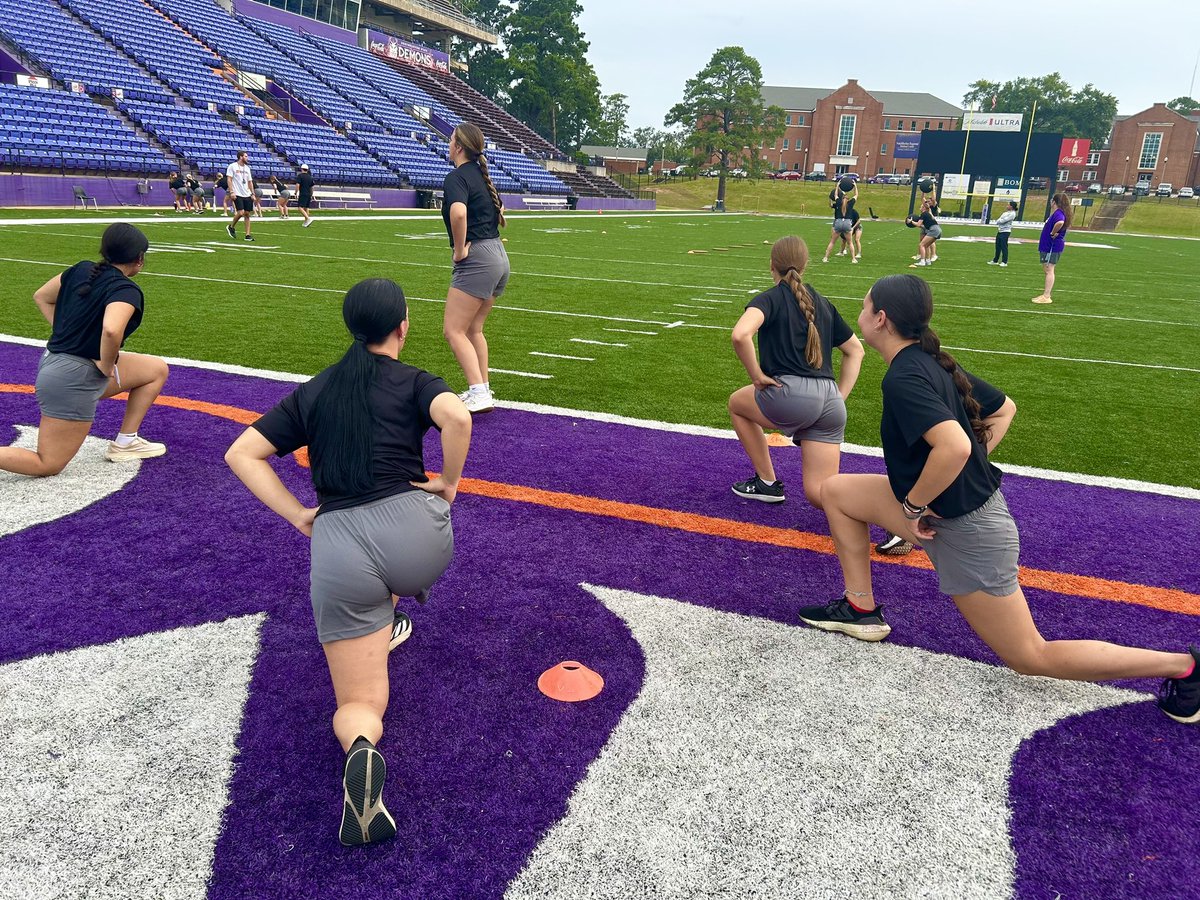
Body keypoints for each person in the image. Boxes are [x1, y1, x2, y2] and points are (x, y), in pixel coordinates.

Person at [796, 274, 1200, 726]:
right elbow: (1003, 409)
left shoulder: (906, 377)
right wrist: (942, 486)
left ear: (881, 319)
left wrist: (913, 508)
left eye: (865, 306)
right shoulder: (928, 361)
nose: (860, 313)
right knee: (836, 491)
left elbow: (955, 447)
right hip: (945, 509)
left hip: (967, 529)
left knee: (1030, 655)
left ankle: (1184, 667)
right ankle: (860, 607)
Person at [225, 278, 473, 845]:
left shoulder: (314, 391)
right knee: (392, 572)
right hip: (418, 541)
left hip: (339, 545)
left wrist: (298, 515)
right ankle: (391, 614)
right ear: (402, 327)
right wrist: (449, 483)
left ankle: (362, 750)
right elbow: (457, 418)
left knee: (360, 703)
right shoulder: (414, 380)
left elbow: (242, 453)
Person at [0, 223, 169, 476]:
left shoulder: (81, 269)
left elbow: (42, 296)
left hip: (57, 365)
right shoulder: (126, 289)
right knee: (47, 464)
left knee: (155, 369)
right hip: (73, 377)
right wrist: (106, 363)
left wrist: (67, 333)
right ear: (139, 258)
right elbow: (111, 329)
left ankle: (126, 441)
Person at [728, 236, 863, 507]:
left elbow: (741, 335)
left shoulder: (769, 299)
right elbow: (856, 351)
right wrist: (839, 396)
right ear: (805, 266)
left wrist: (756, 376)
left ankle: (767, 482)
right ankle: (892, 510)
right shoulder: (823, 303)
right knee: (821, 493)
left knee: (736, 404)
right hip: (830, 402)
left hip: (791, 395)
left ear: (771, 266)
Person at [440, 122, 510, 414]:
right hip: (498, 256)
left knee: (453, 330)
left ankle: (478, 392)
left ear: (458, 147)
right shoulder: (483, 176)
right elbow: (500, 210)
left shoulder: (456, 177)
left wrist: (459, 250)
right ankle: (483, 388)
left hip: (478, 257)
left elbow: (458, 213)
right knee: (474, 329)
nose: (448, 144)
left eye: (450, 139)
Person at [1033, 193, 1071, 304]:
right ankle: (1045, 294)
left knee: (1049, 269)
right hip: (1048, 245)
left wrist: (1053, 232)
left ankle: (1046, 296)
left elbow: (1060, 222)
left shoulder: (1059, 213)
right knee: (1047, 269)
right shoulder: (1056, 213)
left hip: (1052, 246)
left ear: (1054, 202)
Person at [225, 151, 255, 242]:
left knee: (247, 214)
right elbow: (229, 180)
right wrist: (231, 192)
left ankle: (247, 235)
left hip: (247, 193)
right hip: (237, 193)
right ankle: (231, 226)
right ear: (241, 157)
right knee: (241, 212)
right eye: (246, 156)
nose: (247, 158)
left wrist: (252, 193)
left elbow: (250, 182)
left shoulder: (247, 168)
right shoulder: (232, 166)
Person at [907, 198, 941, 267]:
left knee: (921, 245)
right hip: (938, 230)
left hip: (934, 230)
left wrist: (911, 221)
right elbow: (923, 226)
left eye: (921, 207)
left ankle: (922, 261)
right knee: (926, 246)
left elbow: (918, 224)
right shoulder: (927, 214)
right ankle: (928, 261)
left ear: (924, 208)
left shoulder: (924, 214)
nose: (920, 208)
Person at [988, 201, 1018, 266]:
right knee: (997, 246)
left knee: (1004, 246)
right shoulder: (1005, 213)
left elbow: (1003, 220)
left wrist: (1000, 221)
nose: (1007, 206)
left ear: (1011, 206)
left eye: (1008, 205)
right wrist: (999, 221)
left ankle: (1004, 262)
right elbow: (999, 220)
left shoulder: (1012, 213)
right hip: (1000, 231)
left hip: (1005, 231)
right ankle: (995, 260)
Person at [295, 163, 314, 228]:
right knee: (306, 207)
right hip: (309, 193)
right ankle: (306, 222)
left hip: (303, 193)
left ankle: (308, 218)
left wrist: (296, 192)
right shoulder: (310, 177)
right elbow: (312, 187)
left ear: (301, 169)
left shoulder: (300, 176)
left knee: (300, 207)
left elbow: (298, 185)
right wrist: (311, 194)